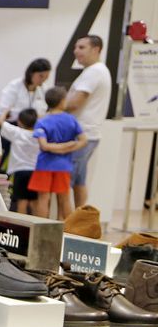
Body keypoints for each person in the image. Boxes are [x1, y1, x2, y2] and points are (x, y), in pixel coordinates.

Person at [64, 34, 113, 208]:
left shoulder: (94, 72)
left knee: (66, 184)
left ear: (96, 49)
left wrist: (53, 108)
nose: (76, 51)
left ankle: (67, 226)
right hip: (87, 133)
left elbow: (75, 103)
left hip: (82, 134)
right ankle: (79, 222)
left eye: (82, 47)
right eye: (76, 47)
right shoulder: (96, 71)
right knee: (79, 180)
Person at [31, 87, 88, 220]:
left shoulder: (42, 121)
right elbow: (83, 141)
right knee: (64, 199)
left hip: (44, 165)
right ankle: (68, 231)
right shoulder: (71, 120)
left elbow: (44, 146)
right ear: (63, 101)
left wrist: (56, 147)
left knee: (43, 198)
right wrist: (67, 147)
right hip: (63, 165)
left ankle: (41, 229)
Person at [0, 108, 40, 213]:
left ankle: (23, 226)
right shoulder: (39, 135)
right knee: (34, 201)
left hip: (20, 171)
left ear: (19, 121)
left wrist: (6, 110)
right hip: (35, 171)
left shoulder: (17, 132)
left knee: (22, 201)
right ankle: (37, 226)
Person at [0, 57, 51, 122]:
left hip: (36, 125)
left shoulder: (44, 89)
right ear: (31, 73)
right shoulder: (14, 86)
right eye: (41, 76)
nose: (43, 80)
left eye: (46, 77)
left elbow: (46, 110)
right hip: (15, 125)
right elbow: (4, 110)